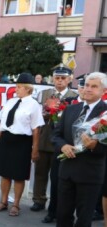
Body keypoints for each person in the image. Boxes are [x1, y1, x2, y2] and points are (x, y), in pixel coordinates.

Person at [48, 72, 107, 227]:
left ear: (103, 91)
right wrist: (63, 146)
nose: (88, 89)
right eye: (87, 85)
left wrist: (94, 146)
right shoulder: (72, 109)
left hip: (90, 173)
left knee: (84, 215)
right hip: (67, 169)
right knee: (63, 210)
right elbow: (56, 135)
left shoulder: (105, 115)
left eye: (94, 86)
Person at [0, 73, 44, 216]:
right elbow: (2, 122)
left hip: (22, 142)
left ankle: (16, 204)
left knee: (19, 175)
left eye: (19, 87)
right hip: (7, 139)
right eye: (16, 86)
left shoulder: (34, 105)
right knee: (4, 173)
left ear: (28, 89)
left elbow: (36, 129)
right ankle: (3, 201)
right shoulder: (11, 102)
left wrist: (35, 149)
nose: (16, 89)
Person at [31, 65, 78, 212]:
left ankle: (56, 203)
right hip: (45, 137)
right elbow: (36, 117)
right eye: (57, 78)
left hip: (63, 141)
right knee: (40, 171)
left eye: (63, 78)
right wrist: (46, 112)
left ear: (69, 79)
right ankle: (39, 199)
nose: (59, 81)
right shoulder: (44, 93)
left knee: (59, 176)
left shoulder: (74, 96)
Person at [42, 77, 86, 223]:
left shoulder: (99, 109)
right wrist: (62, 145)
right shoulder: (67, 103)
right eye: (82, 86)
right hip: (62, 150)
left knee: (77, 187)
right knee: (56, 182)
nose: (84, 89)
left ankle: (70, 215)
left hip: (83, 154)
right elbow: (55, 129)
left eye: (87, 86)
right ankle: (52, 211)